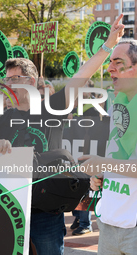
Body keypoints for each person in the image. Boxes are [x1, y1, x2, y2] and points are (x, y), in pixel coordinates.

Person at [0, 15, 124, 254]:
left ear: (32, 81)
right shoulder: (0, 118)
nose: (9, 84)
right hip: (6, 208)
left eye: (15, 79)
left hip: (46, 212)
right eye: (7, 79)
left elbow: (81, 76)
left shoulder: (53, 108)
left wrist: (108, 46)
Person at [79, 17, 137, 254]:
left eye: (118, 62)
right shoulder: (117, 106)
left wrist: (103, 163)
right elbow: (118, 159)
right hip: (110, 223)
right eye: (109, 62)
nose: (110, 68)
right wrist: (101, 175)